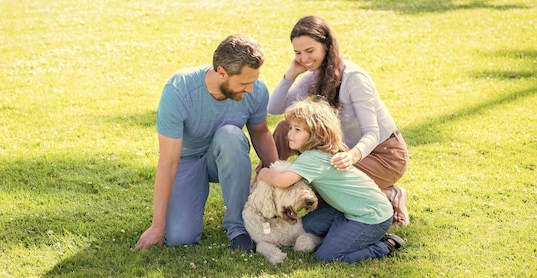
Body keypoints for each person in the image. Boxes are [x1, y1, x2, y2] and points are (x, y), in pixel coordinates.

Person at [135, 34, 279, 252]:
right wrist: (157, 226)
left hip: (225, 155)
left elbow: (260, 133)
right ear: (221, 72)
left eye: (254, 81)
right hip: (186, 160)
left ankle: (239, 228)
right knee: (179, 237)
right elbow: (168, 162)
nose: (250, 89)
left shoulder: (256, 90)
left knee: (231, 135)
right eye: (244, 83)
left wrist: (278, 178)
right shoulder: (179, 89)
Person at [266, 15, 410, 226]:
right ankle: (262, 189)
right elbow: (274, 108)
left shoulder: (354, 79)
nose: (304, 59)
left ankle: (390, 194)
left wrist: (352, 156)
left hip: (383, 155)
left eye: (310, 51)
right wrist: (290, 74)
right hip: (341, 153)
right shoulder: (313, 75)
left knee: (321, 187)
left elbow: (372, 132)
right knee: (283, 128)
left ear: (327, 46)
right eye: (298, 53)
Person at [256, 97, 405, 263]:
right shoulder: (317, 154)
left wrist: (263, 172)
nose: (289, 133)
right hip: (349, 210)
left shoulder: (312, 158)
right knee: (309, 224)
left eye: (297, 130)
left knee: (327, 256)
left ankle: (385, 245)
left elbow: (282, 181)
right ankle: (348, 234)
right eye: (290, 128)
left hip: (371, 217)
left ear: (316, 134)